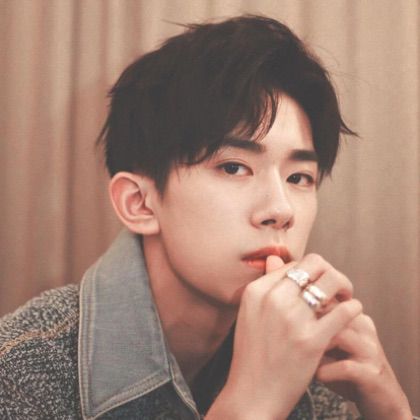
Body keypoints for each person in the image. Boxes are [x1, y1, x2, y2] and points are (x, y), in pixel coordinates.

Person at [0, 15, 415, 420]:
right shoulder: (19, 373)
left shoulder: (308, 360)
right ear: (139, 203)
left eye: (299, 177)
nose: (281, 210)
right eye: (234, 168)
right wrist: (253, 403)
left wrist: (390, 407)